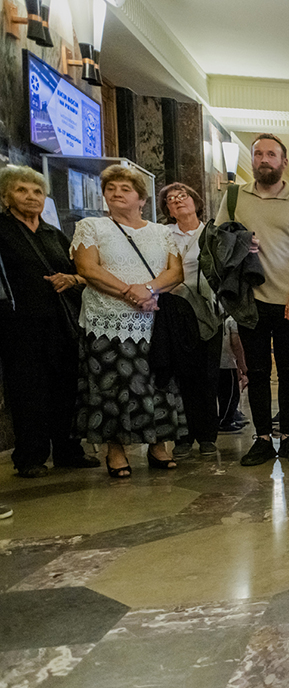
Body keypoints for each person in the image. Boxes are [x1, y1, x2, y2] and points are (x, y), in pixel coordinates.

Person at [213, 133, 289, 466]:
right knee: (257, 372)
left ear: (283, 162)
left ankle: (287, 436)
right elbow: (218, 241)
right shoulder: (234, 197)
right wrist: (241, 243)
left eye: (271, 154)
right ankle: (261, 438)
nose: (264, 159)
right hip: (250, 300)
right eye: (258, 154)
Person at [72, 164, 186, 476]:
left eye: (125, 189)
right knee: (111, 385)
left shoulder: (162, 232)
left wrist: (147, 290)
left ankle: (158, 445)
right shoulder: (91, 227)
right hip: (106, 321)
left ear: (142, 199)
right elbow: (87, 268)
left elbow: (176, 272)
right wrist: (129, 292)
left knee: (157, 383)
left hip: (152, 320)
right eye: (111, 189)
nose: (117, 193)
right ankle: (115, 450)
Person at [0, 165, 98, 478]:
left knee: (65, 388)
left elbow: (81, 271)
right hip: (19, 326)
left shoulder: (53, 233)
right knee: (28, 391)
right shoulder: (2, 230)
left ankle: (68, 451)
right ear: (6, 197)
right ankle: (30, 456)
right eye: (21, 190)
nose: (31, 197)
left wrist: (72, 279)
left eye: (37, 192)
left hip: (60, 324)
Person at [159, 182, 222, 459]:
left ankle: (207, 435)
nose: (177, 200)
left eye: (182, 196)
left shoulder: (212, 233)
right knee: (181, 374)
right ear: (168, 210)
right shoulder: (162, 234)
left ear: (196, 201)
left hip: (207, 309)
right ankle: (183, 436)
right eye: (170, 199)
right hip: (174, 309)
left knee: (207, 374)